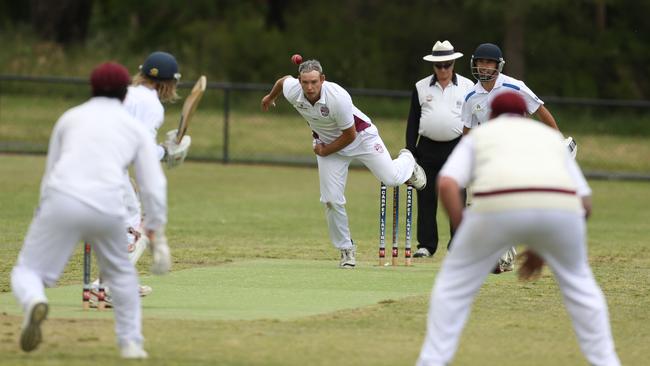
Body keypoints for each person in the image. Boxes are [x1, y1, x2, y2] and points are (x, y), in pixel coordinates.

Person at [415, 92, 620, 366]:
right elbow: (585, 203)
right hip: (559, 208)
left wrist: (465, 230)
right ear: (524, 115)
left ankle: (431, 361)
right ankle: (607, 361)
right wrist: (545, 248)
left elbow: (447, 184)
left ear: (492, 116)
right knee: (580, 285)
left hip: (496, 206)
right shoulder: (549, 137)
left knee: (452, 288)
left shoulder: (480, 135)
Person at [10, 62, 171, 358]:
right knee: (121, 276)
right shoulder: (133, 127)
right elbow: (152, 183)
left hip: (62, 198)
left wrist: (42, 210)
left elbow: (51, 170)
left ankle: (34, 300)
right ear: (125, 92)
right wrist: (156, 233)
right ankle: (131, 344)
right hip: (108, 203)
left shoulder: (69, 118)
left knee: (28, 271)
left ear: (91, 88)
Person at [261, 59, 427, 269]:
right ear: (300, 81)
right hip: (329, 145)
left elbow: (350, 135)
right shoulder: (294, 90)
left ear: (322, 79)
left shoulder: (338, 98)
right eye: (305, 82)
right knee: (331, 200)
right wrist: (270, 97)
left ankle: (407, 161)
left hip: (361, 138)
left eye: (314, 82)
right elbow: (282, 81)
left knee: (391, 179)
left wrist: (323, 151)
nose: (309, 87)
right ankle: (346, 249)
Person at [461, 42, 574, 273]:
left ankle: (506, 255)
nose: (483, 67)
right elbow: (467, 132)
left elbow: (540, 110)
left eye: (488, 62)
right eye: (480, 62)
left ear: (498, 65)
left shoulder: (515, 86)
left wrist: (557, 140)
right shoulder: (471, 96)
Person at [89, 51, 190, 306]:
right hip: (110, 165)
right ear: (168, 83)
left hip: (93, 161)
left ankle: (106, 284)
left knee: (119, 223)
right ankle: (110, 286)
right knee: (136, 224)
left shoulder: (126, 92)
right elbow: (142, 148)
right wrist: (165, 152)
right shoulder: (151, 104)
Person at [405, 40, 474, 258]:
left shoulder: (468, 86)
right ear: (433, 66)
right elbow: (413, 121)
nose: (443, 69)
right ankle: (426, 245)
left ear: (453, 63)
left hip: (456, 147)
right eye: (439, 65)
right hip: (426, 148)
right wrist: (411, 150)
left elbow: (473, 120)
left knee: (458, 195)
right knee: (425, 196)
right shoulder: (420, 86)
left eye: (447, 65)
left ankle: (458, 244)